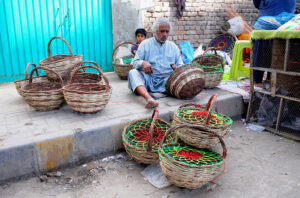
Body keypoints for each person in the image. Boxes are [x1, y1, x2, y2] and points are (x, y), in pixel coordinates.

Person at [128, 18, 183, 109]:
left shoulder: (173, 47)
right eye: (162, 31)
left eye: (167, 31)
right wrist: (143, 63)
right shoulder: (145, 44)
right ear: (155, 31)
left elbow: (180, 65)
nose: (165, 34)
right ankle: (149, 98)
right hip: (149, 79)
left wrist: (178, 69)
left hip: (167, 81)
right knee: (132, 72)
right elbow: (135, 62)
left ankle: (167, 92)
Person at [253, 0, 296, 88]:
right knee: (277, 51)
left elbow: (256, 3)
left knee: (264, 51)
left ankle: (260, 80)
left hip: (271, 19)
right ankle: (266, 79)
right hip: (284, 22)